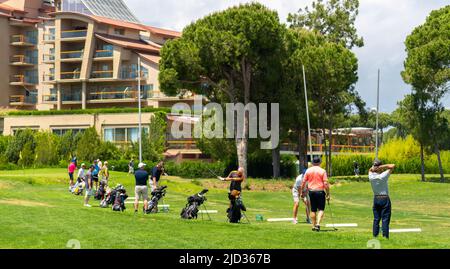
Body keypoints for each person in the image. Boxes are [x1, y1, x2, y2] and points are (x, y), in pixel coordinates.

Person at [300, 157, 330, 232]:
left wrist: (302, 192)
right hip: (320, 191)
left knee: (313, 210)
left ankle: (313, 225)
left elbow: (303, 182)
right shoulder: (322, 171)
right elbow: (325, 183)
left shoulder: (308, 171)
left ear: (312, 163)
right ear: (319, 162)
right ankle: (318, 224)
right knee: (321, 209)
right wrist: (328, 193)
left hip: (311, 192)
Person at [369, 160, 395, 239]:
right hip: (384, 199)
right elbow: (393, 165)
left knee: (376, 219)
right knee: (385, 219)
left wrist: (375, 168)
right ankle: (385, 237)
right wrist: (381, 167)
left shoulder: (371, 176)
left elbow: (370, 170)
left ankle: (375, 236)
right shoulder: (383, 176)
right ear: (380, 167)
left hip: (376, 199)